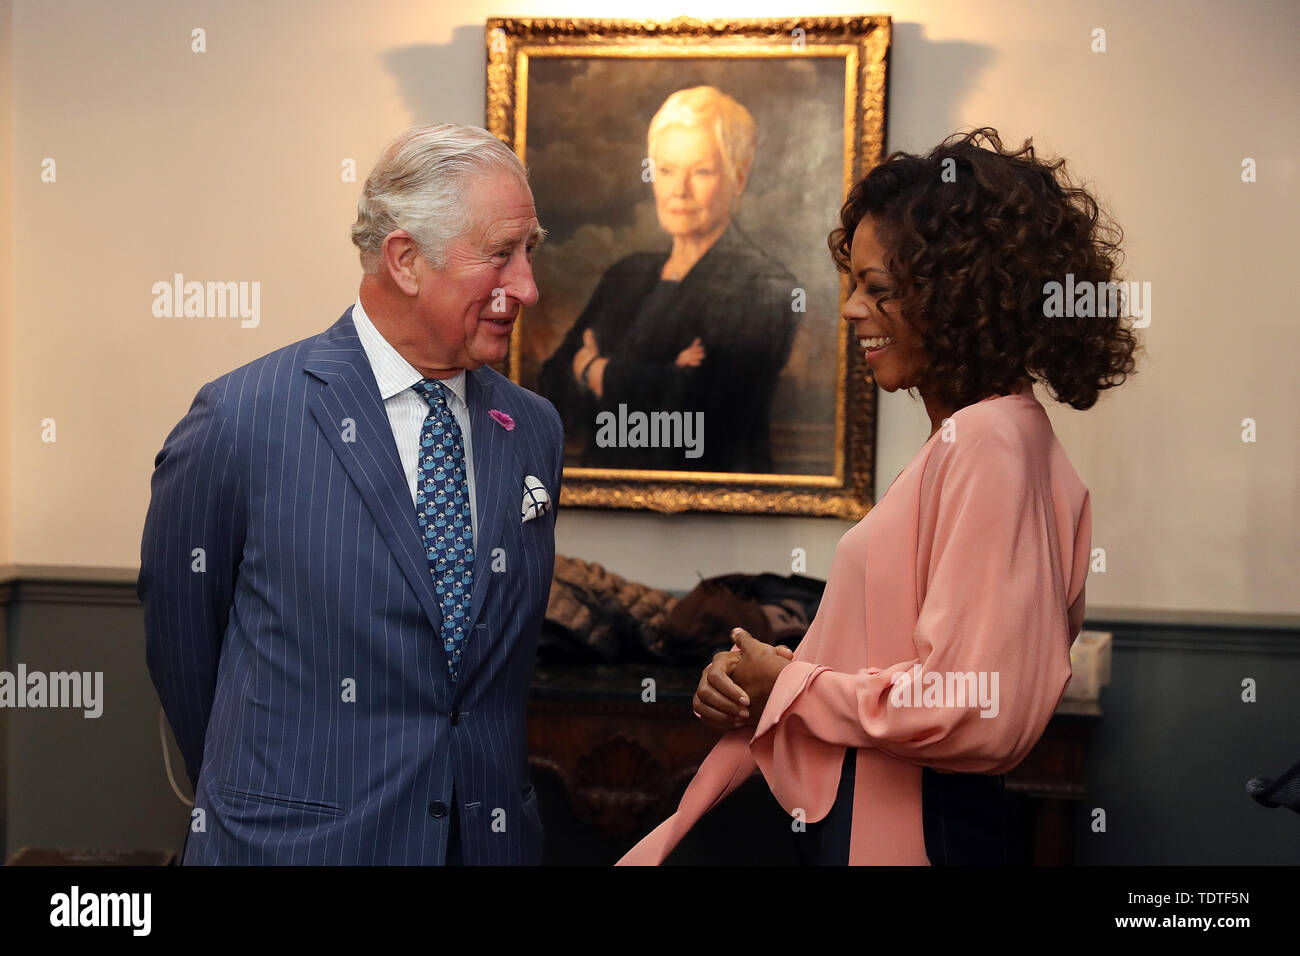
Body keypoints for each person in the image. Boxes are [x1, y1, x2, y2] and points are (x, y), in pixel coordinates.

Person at [619, 128, 1139, 865]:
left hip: (917, 828)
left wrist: (791, 686)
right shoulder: (977, 439)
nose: (853, 310)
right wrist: (762, 678)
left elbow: (973, 707)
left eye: (879, 289)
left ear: (958, 297)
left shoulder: (989, 443)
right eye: (854, 284)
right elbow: (897, 663)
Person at [139, 124, 564, 865]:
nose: (526, 285)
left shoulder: (531, 429)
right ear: (404, 260)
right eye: (501, 254)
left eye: (530, 252)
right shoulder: (243, 419)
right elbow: (184, 648)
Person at [538, 86, 798, 473]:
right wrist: (661, 377)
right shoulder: (626, 275)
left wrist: (595, 369)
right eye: (666, 170)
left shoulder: (767, 285)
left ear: (738, 179)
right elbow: (552, 386)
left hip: (723, 511)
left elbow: (700, 409)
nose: (680, 190)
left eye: (702, 171)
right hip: (606, 502)